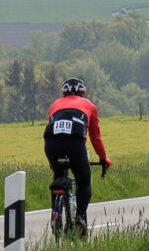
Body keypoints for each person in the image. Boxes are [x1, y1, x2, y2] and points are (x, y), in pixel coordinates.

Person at [43, 77, 112, 236]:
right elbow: (95, 137)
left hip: (51, 141)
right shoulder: (89, 105)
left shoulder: (54, 104)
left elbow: (51, 126)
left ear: (64, 93)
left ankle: (56, 215)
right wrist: (103, 158)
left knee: (58, 175)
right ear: (82, 93)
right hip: (75, 141)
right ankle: (80, 217)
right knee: (83, 180)